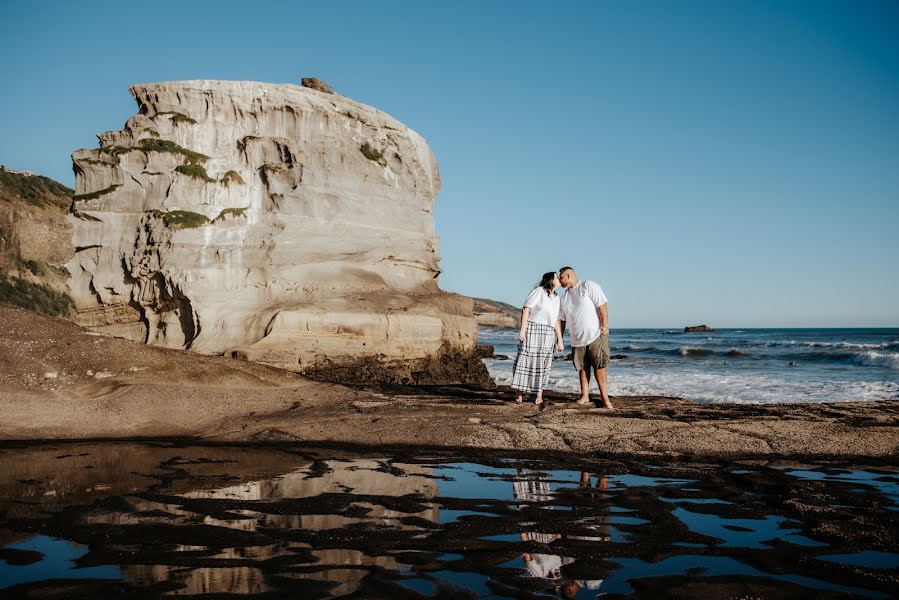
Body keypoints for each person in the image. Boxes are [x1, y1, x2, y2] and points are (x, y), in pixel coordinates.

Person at [558, 266, 614, 409]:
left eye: (561, 277)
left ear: (569, 276)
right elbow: (562, 320)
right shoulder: (564, 297)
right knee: (582, 368)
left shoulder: (588, 285)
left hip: (595, 335)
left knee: (599, 367)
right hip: (577, 339)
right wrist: (560, 338)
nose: (559, 280)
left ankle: (605, 398)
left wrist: (605, 326)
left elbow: (602, 305)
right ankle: (585, 395)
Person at [511, 272, 564, 405]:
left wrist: (560, 340)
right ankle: (519, 392)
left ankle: (539, 394)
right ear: (551, 280)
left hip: (548, 332)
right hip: (533, 329)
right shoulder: (539, 291)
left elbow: (556, 319)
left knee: (544, 363)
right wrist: (522, 330)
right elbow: (526, 309)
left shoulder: (557, 298)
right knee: (525, 360)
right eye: (557, 277)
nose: (560, 279)